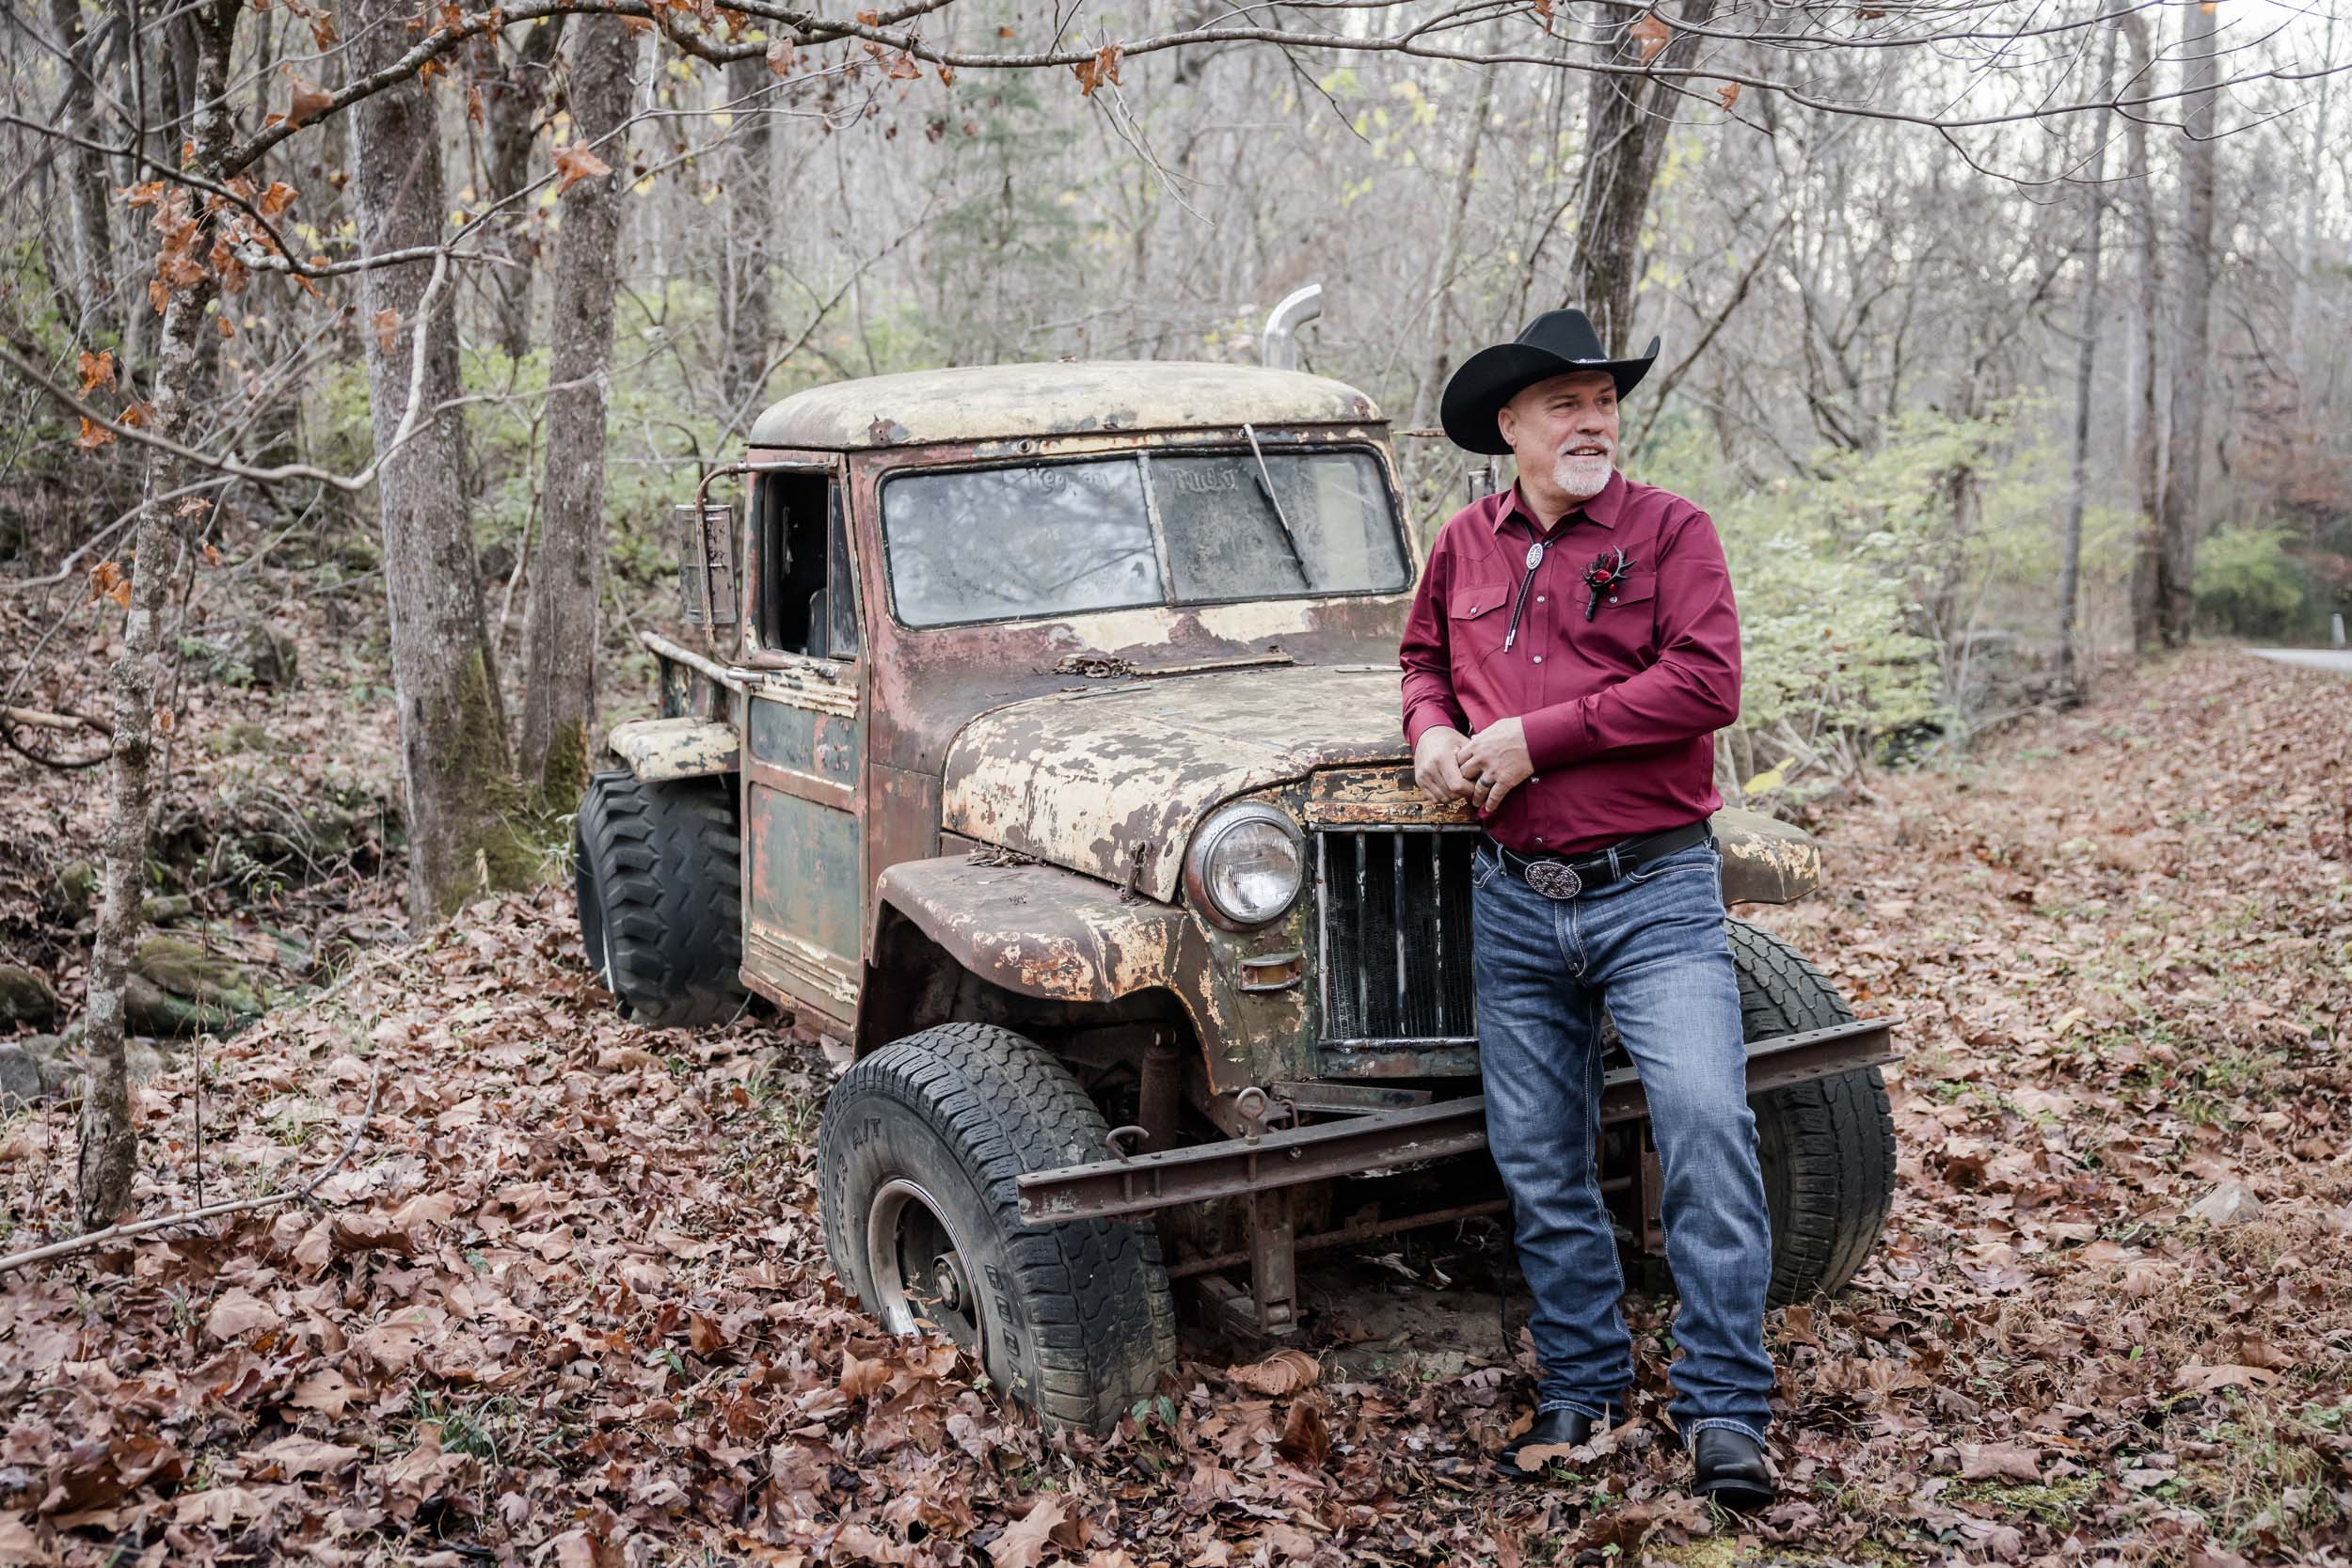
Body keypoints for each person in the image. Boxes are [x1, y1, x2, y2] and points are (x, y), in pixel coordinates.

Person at [1399, 309, 1775, 1511]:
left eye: (1603, 398)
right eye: (1563, 402)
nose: (1592, 418)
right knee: (1538, 1159)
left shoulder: (1672, 531)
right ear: (1508, 427)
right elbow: (1419, 662)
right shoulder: (1461, 542)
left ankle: (1725, 1410)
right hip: (1512, 900)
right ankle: (1583, 1387)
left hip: (1654, 891)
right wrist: (1436, 733)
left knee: (1706, 1131)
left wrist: (1532, 735)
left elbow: (1707, 682)